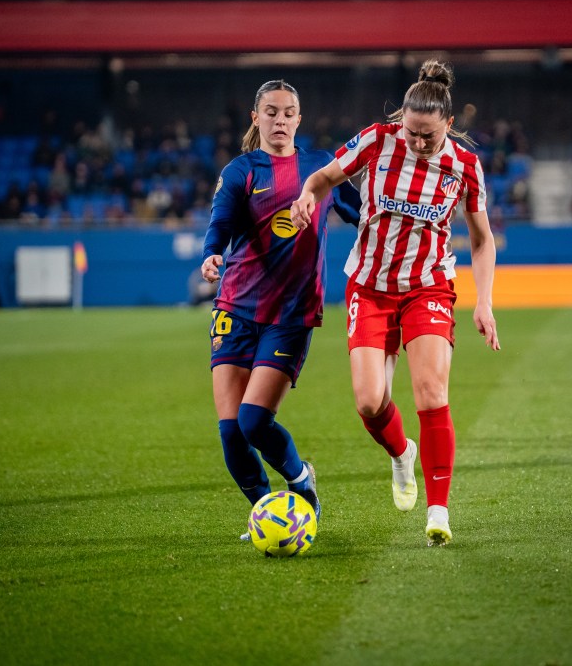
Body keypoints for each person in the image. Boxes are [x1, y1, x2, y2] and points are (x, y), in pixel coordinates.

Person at [291, 59, 501, 547]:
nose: (418, 143)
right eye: (411, 132)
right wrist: (306, 195)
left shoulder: (465, 167)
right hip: (370, 285)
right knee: (369, 402)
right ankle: (401, 453)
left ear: (448, 125)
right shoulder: (377, 140)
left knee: (431, 390)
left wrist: (484, 302)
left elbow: (482, 239)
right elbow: (323, 178)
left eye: (428, 135)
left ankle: (439, 510)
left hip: (428, 285)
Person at [201, 79, 360, 540]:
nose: (279, 120)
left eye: (288, 112)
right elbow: (220, 225)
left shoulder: (320, 168)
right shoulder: (241, 171)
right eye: (270, 112)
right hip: (237, 305)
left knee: (254, 421)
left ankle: (300, 480)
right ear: (256, 118)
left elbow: (360, 210)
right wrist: (212, 253)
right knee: (231, 432)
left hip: (291, 314)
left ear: (299, 119)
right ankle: (270, 514)